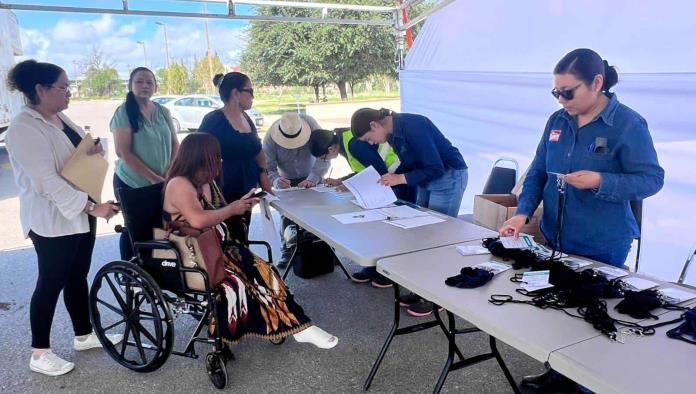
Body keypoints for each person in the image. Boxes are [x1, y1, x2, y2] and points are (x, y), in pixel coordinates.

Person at [499, 48, 664, 392]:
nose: (561, 100)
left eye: (568, 92)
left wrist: (601, 181)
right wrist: (521, 213)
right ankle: (559, 372)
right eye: (556, 92)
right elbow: (538, 172)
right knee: (559, 307)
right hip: (557, 233)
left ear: (597, 83)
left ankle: (588, 384)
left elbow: (651, 179)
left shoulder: (628, 124)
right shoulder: (557, 121)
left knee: (593, 313)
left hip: (603, 240)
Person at [163, 133, 338, 348]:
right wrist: (232, 208)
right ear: (199, 157)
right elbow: (198, 220)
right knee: (242, 279)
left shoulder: (205, 182)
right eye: (215, 157)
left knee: (265, 271)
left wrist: (241, 204)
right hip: (194, 254)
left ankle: (295, 323)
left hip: (217, 247)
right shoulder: (179, 184)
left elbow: (217, 213)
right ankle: (296, 325)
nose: (219, 161)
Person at [5, 60, 122, 376]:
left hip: (80, 213)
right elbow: (47, 181)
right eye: (63, 87)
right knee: (50, 282)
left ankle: (83, 334)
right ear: (40, 90)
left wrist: (92, 152)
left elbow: (69, 161)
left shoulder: (57, 117)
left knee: (77, 275)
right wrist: (90, 207)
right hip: (52, 221)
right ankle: (39, 352)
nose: (69, 92)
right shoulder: (23, 128)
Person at [351, 108, 469, 317]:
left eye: (370, 138)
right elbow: (411, 161)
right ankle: (422, 289)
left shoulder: (414, 126)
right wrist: (393, 175)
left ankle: (436, 296)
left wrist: (400, 179)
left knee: (437, 238)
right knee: (420, 235)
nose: (372, 143)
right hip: (425, 178)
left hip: (448, 177)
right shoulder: (392, 133)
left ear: (374, 125)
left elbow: (436, 167)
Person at [309, 127, 416, 288]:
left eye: (324, 157)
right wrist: (342, 180)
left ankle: (390, 272)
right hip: (386, 181)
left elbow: (379, 170)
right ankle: (373, 267)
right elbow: (363, 170)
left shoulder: (354, 145)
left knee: (393, 228)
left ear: (330, 149)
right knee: (375, 227)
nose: (326, 160)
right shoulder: (343, 142)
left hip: (398, 179)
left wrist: (349, 184)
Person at [111, 66, 179, 261]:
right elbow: (123, 152)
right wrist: (154, 178)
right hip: (132, 182)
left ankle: (153, 270)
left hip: (163, 180)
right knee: (134, 228)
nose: (145, 86)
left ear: (156, 87)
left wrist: (169, 171)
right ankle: (129, 270)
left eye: (149, 82)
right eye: (139, 81)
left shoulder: (163, 111)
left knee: (159, 227)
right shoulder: (124, 112)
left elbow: (175, 144)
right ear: (130, 85)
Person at [198, 71, 272, 241]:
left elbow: (257, 149)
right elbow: (197, 153)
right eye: (250, 91)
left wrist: (263, 175)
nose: (253, 96)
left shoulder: (246, 117)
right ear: (236, 93)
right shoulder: (214, 120)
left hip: (247, 191)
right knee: (229, 241)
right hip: (223, 194)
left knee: (242, 238)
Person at [263, 112, 329, 268]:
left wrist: (313, 178)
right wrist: (276, 180)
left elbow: (324, 155)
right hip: (286, 180)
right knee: (287, 216)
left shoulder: (312, 126)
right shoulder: (270, 138)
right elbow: (267, 167)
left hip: (313, 176)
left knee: (319, 214)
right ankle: (288, 250)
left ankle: (326, 251)